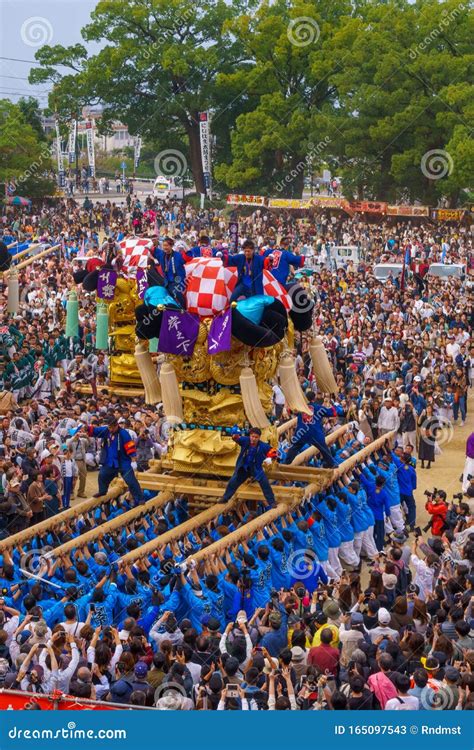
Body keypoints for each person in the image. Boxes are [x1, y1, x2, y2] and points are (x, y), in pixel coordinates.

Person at [83, 415, 144, 504]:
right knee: (102, 475)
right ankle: (102, 491)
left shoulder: (124, 433)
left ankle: (140, 499)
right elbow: (96, 431)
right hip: (110, 461)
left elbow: (130, 445)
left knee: (131, 481)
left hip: (123, 461)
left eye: (112, 427)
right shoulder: (106, 430)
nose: (110, 429)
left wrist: (133, 455)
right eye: (109, 427)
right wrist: (87, 428)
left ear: (116, 425)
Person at [283, 392, 343, 468]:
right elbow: (333, 413)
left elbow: (290, 411)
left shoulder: (301, 407)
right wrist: (336, 404)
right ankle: (332, 463)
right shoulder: (318, 407)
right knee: (323, 448)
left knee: (295, 447)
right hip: (315, 433)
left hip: (301, 433)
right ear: (314, 399)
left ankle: (286, 462)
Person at [222, 427, 277, 507]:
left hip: (256, 468)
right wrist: (234, 434)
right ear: (250, 436)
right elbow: (237, 438)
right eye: (252, 436)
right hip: (244, 467)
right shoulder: (245, 440)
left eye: (256, 437)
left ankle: (272, 502)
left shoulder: (263, 446)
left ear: (259, 438)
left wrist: (270, 458)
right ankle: (225, 498)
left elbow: (274, 452)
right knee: (233, 481)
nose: (253, 439)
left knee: (265, 483)